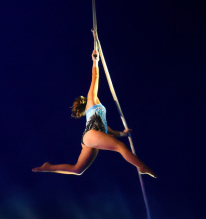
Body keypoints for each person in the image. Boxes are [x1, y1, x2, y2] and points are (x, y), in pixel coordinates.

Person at [33, 49, 155, 177]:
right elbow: (95, 77)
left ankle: (48, 167)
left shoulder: (93, 114)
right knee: (119, 147)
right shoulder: (92, 99)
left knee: (78, 170)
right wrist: (95, 61)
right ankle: (141, 166)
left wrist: (123, 133)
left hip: (91, 136)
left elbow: (108, 130)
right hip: (91, 135)